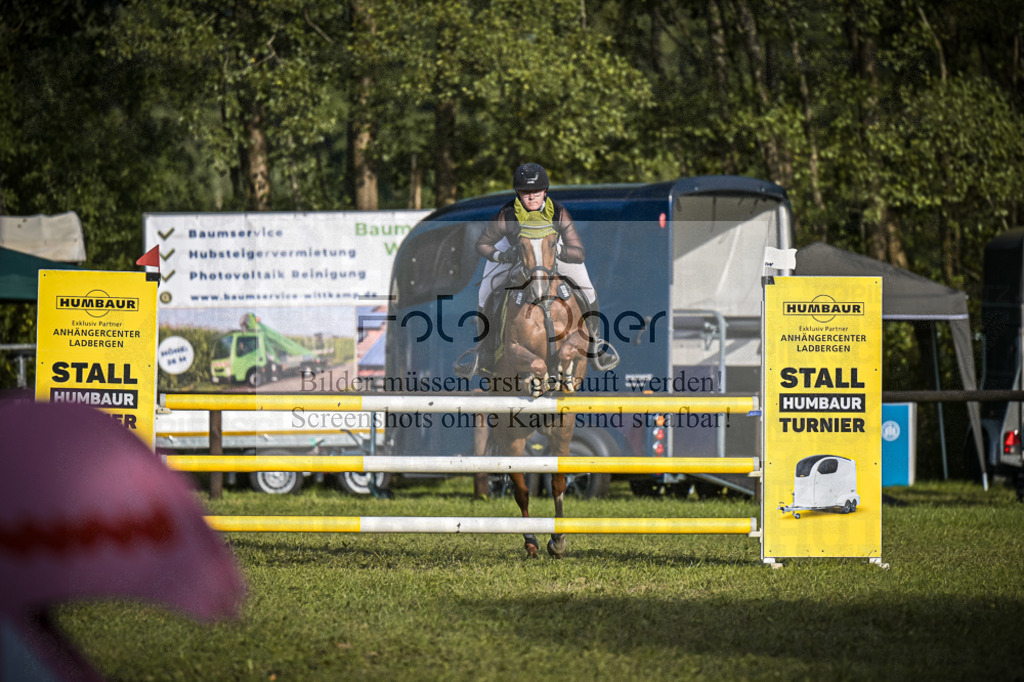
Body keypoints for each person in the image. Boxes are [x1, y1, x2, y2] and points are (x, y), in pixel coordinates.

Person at [453, 162, 620, 379]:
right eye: (525, 193)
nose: (531, 197)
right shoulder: (507, 215)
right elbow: (482, 244)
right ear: (518, 194)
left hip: (553, 251)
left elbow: (578, 252)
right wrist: (501, 256)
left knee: (587, 289)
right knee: (485, 292)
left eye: (536, 192)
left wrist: (557, 249)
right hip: (513, 251)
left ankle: (596, 345)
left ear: (545, 192)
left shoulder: (559, 213)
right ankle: (485, 352)